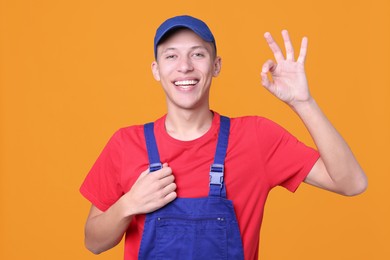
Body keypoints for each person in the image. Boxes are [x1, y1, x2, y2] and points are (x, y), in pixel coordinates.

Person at [80, 15, 367, 260]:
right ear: (156, 70)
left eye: (198, 54)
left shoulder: (257, 137)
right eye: (171, 55)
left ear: (216, 66)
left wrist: (303, 102)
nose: (184, 66)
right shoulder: (125, 144)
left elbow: (352, 183)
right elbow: (94, 242)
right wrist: (129, 204)